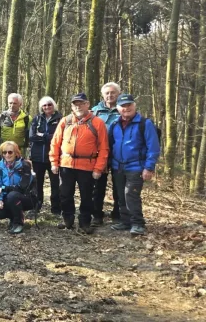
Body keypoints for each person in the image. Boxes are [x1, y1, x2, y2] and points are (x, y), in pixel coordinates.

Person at [50, 93, 109, 234]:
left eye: (81, 103)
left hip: (87, 165)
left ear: (87, 104)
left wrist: (98, 168)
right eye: (75, 104)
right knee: (65, 194)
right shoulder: (65, 121)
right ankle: (67, 220)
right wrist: (54, 162)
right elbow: (55, 143)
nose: (78, 107)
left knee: (87, 196)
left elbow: (104, 148)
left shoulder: (97, 123)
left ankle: (85, 222)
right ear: (72, 106)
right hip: (66, 164)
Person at [109, 94, 160, 235]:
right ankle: (125, 222)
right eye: (123, 106)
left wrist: (149, 167)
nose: (126, 108)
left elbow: (153, 147)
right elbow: (110, 145)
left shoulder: (145, 124)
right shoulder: (114, 124)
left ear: (134, 106)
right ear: (118, 108)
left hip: (136, 167)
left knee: (131, 195)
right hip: (117, 166)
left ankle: (138, 223)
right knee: (120, 195)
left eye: (129, 105)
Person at [91, 82, 122, 225]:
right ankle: (97, 215)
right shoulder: (95, 111)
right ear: (103, 95)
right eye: (107, 93)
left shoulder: (124, 109)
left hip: (118, 153)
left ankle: (118, 214)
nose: (110, 95)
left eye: (113, 92)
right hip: (99, 154)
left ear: (118, 94)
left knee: (119, 186)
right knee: (97, 185)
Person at [0, 142, 34, 234]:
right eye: (4, 152)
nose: (7, 155)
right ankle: (13, 217)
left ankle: (18, 223)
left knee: (12, 196)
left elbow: (21, 187)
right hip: (8, 198)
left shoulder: (25, 165)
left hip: (26, 197)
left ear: (16, 153)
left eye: (10, 152)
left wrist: (3, 188)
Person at [29, 96, 62, 215]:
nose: (47, 107)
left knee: (55, 184)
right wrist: (49, 137)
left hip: (54, 157)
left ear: (54, 105)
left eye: (49, 104)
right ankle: (36, 206)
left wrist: (42, 135)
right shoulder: (36, 119)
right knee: (37, 183)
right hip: (37, 157)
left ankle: (56, 209)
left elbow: (60, 137)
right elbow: (32, 137)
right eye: (44, 105)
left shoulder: (60, 119)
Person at [0, 93, 30, 158]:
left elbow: (29, 135)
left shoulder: (26, 118)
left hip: (20, 151)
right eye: (10, 103)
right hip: (5, 151)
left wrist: (27, 148)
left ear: (20, 104)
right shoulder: (1, 117)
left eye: (15, 103)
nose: (12, 105)